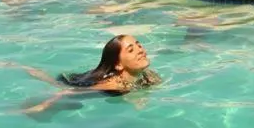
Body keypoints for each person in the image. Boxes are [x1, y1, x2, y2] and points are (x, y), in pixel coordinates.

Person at [21, 35, 162, 114]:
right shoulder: (112, 85)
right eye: (131, 50)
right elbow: (69, 92)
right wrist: (44, 106)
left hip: (95, 76)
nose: (140, 50)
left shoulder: (149, 75)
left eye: (138, 45)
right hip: (76, 83)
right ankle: (35, 72)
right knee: (56, 84)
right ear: (118, 64)